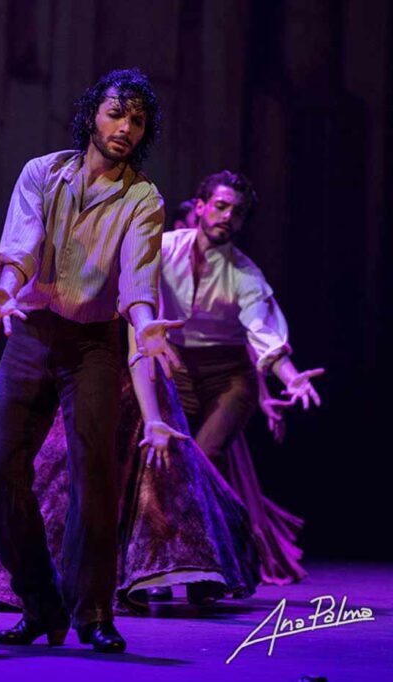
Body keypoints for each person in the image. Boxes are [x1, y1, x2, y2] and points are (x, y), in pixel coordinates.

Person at [0, 68, 178, 653]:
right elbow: (22, 244)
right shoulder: (42, 172)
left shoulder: (142, 198)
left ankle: (93, 611)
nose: (126, 128)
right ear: (93, 115)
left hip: (92, 344)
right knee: (2, 473)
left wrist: (145, 326)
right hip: (32, 332)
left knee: (94, 475)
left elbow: (138, 282)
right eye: (117, 113)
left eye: (137, 121)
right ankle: (41, 604)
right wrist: (9, 288)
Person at [0, 325, 261, 613]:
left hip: (134, 385)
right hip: (90, 384)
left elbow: (138, 341)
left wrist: (153, 414)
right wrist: (17, 381)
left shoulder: (132, 249)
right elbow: (40, 327)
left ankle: (159, 575)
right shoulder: (62, 255)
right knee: (49, 481)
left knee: (155, 481)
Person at [161, 170, 323, 584]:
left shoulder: (245, 274)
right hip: (175, 368)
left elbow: (262, 334)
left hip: (228, 378)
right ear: (200, 207)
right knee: (163, 462)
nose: (227, 217)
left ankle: (210, 566)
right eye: (220, 206)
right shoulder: (164, 248)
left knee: (203, 459)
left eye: (237, 212)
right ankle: (166, 565)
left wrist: (289, 378)